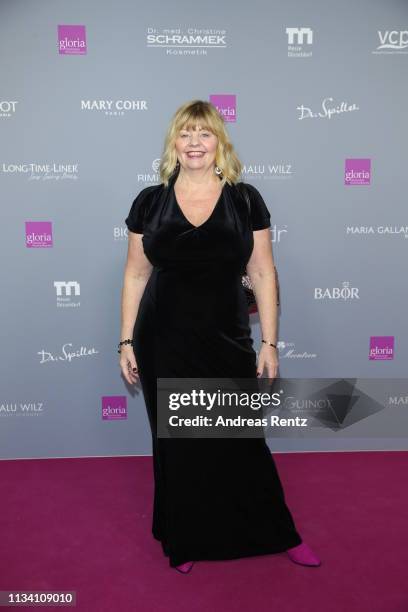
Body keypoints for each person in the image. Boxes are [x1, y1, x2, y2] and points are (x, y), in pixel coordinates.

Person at [119, 99, 321, 573]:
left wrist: (269, 343)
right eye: (185, 134)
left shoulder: (245, 198)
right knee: (178, 442)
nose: (194, 143)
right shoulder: (150, 202)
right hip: (162, 338)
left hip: (227, 336)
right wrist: (126, 341)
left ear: (219, 144)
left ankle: (278, 531)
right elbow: (134, 275)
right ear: (174, 143)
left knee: (242, 439)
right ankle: (184, 536)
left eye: (204, 134)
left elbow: (264, 273)